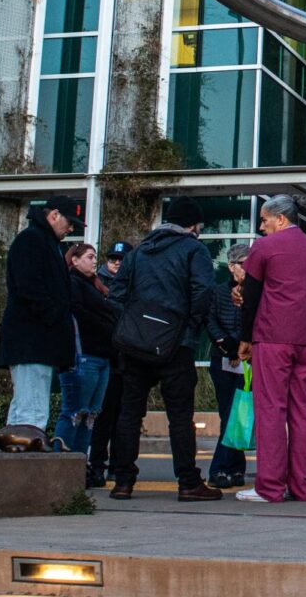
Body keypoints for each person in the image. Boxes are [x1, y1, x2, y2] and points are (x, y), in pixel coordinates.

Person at [106, 199, 219, 501]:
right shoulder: (194, 250)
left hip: (135, 345)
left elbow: (116, 296)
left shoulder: (139, 251)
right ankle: (188, 482)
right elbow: (204, 291)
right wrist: (189, 326)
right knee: (180, 416)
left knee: (129, 413)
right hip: (176, 345)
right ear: (193, 226)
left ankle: (123, 480)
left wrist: (131, 328)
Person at [235, 196, 306, 503]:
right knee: (303, 410)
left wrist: (245, 338)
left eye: (264, 220)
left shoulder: (264, 248)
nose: (262, 227)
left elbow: (251, 295)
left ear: (281, 219)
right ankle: (302, 487)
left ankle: (270, 487)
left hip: (272, 336)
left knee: (271, 410)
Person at [0, 194, 81, 448]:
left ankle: (21, 448)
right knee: (31, 408)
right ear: (53, 215)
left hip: (36, 340)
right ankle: (25, 451)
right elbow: (29, 287)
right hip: (32, 339)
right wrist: (53, 316)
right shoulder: (32, 241)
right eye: (69, 221)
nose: (71, 228)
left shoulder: (42, 241)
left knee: (29, 403)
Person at [55, 242, 114, 478]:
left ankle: (80, 462)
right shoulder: (71, 283)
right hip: (82, 356)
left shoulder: (95, 286)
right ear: (75, 260)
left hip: (101, 356)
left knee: (90, 413)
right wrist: (105, 324)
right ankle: (62, 464)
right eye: (89, 257)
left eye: (94, 257)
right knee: (74, 411)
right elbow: (77, 313)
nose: (93, 261)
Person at [86, 240, 133, 484]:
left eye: (121, 260)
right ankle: (96, 465)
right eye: (113, 259)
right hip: (106, 354)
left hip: (125, 357)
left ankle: (117, 464)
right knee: (103, 416)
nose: (116, 263)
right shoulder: (96, 284)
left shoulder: (132, 285)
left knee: (123, 416)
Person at [206, 243, 253, 490]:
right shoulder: (217, 291)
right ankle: (221, 468)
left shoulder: (255, 290)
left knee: (241, 414)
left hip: (246, 360)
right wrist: (230, 347)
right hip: (223, 357)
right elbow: (211, 321)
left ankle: (234, 467)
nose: (247, 268)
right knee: (228, 413)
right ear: (232, 266)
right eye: (244, 263)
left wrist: (241, 348)